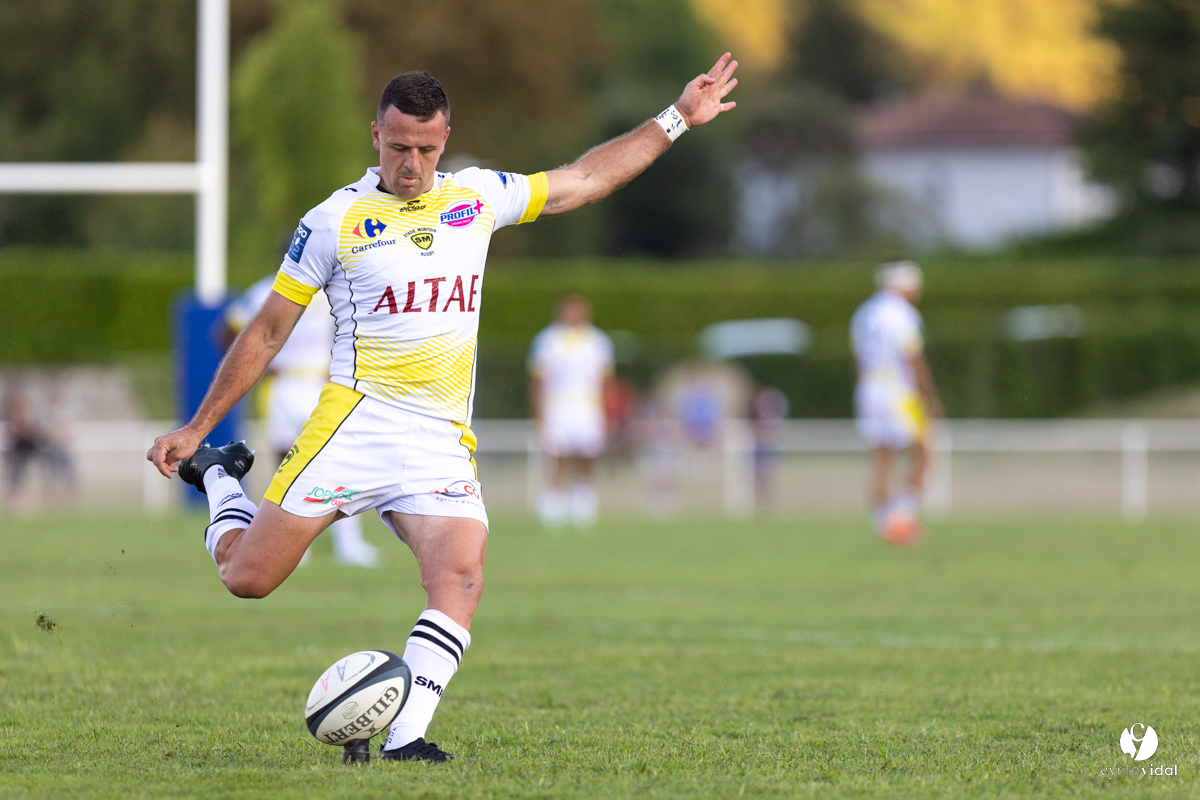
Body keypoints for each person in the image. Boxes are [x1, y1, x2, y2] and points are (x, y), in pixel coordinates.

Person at [147, 58, 739, 764]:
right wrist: (197, 430)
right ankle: (220, 479)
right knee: (248, 578)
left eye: (426, 149)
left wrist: (677, 117)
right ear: (376, 136)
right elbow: (268, 330)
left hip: (436, 440)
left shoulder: (476, 196)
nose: (412, 164)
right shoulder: (334, 220)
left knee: (460, 575)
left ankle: (405, 737)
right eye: (398, 147)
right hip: (353, 427)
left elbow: (584, 180)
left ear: (446, 138)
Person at [223, 277, 380, 567]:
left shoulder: (334, 288)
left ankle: (348, 543)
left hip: (322, 382)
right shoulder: (264, 290)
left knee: (335, 461)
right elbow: (225, 331)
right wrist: (258, 366)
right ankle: (291, 545)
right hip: (283, 384)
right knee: (285, 466)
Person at [850, 261, 944, 544]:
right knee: (926, 450)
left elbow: (858, 359)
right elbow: (912, 358)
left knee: (882, 455)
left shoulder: (864, 312)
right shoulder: (903, 314)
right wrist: (929, 397)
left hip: (869, 387)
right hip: (898, 390)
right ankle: (901, 518)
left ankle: (883, 523)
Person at [528, 294, 614, 528]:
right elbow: (537, 379)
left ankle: (583, 507)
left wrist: (606, 411)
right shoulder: (548, 341)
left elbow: (605, 381)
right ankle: (552, 508)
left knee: (586, 456)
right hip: (557, 407)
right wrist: (538, 411)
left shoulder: (597, 341)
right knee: (556, 456)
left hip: (587, 407)